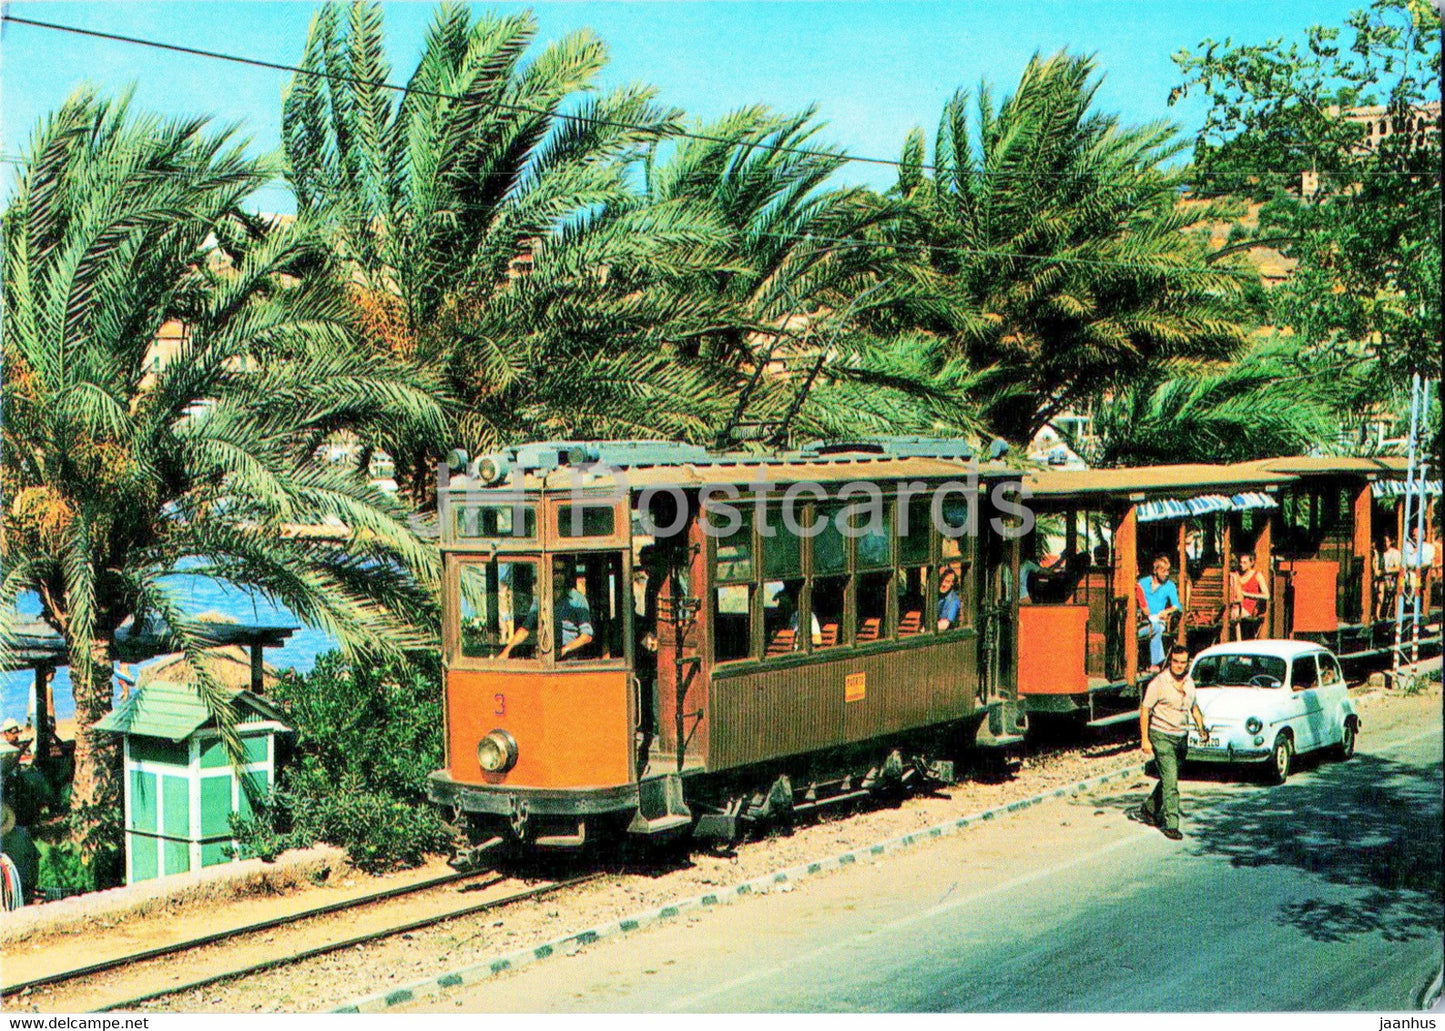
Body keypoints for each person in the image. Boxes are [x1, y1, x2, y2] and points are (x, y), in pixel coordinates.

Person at [1129, 644, 1209, 840]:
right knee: (1171, 781)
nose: (1179, 666)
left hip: (1181, 736)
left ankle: (1148, 809)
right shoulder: (1159, 683)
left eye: (1183, 663)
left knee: (1168, 778)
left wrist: (1201, 728)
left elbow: (1194, 708)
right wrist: (1145, 739)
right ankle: (1171, 824)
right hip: (1161, 734)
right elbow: (1145, 710)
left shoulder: (1190, 683)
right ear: (1170, 661)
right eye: (1176, 662)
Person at [499, 561, 594, 660]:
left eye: (561, 572)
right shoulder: (541, 599)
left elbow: (587, 636)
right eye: (555, 572)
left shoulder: (577, 599)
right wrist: (506, 651)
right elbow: (525, 629)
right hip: (545, 654)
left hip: (569, 659)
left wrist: (564, 650)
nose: (558, 576)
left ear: (566, 575)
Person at [1136, 554, 1180, 672]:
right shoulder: (1143, 583)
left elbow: (1176, 606)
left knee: (1157, 628)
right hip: (1143, 620)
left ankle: (1155, 663)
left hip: (1158, 620)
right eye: (1163, 571)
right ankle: (1156, 662)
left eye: (1167, 571)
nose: (1166, 574)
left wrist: (1166, 611)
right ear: (1155, 571)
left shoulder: (1169, 586)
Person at [1228, 551, 1269, 639]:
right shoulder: (1237, 575)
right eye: (1241, 562)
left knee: (1235, 613)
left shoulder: (1257, 575)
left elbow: (1267, 595)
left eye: (1245, 562)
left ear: (1251, 563)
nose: (1241, 565)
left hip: (1249, 609)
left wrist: (1247, 595)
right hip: (1236, 606)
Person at [936, 566, 962, 630]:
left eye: (947, 581)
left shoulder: (954, 601)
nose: (943, 584)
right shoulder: (936, 596)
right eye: (941, 580)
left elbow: (944, 625)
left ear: (952, 584)